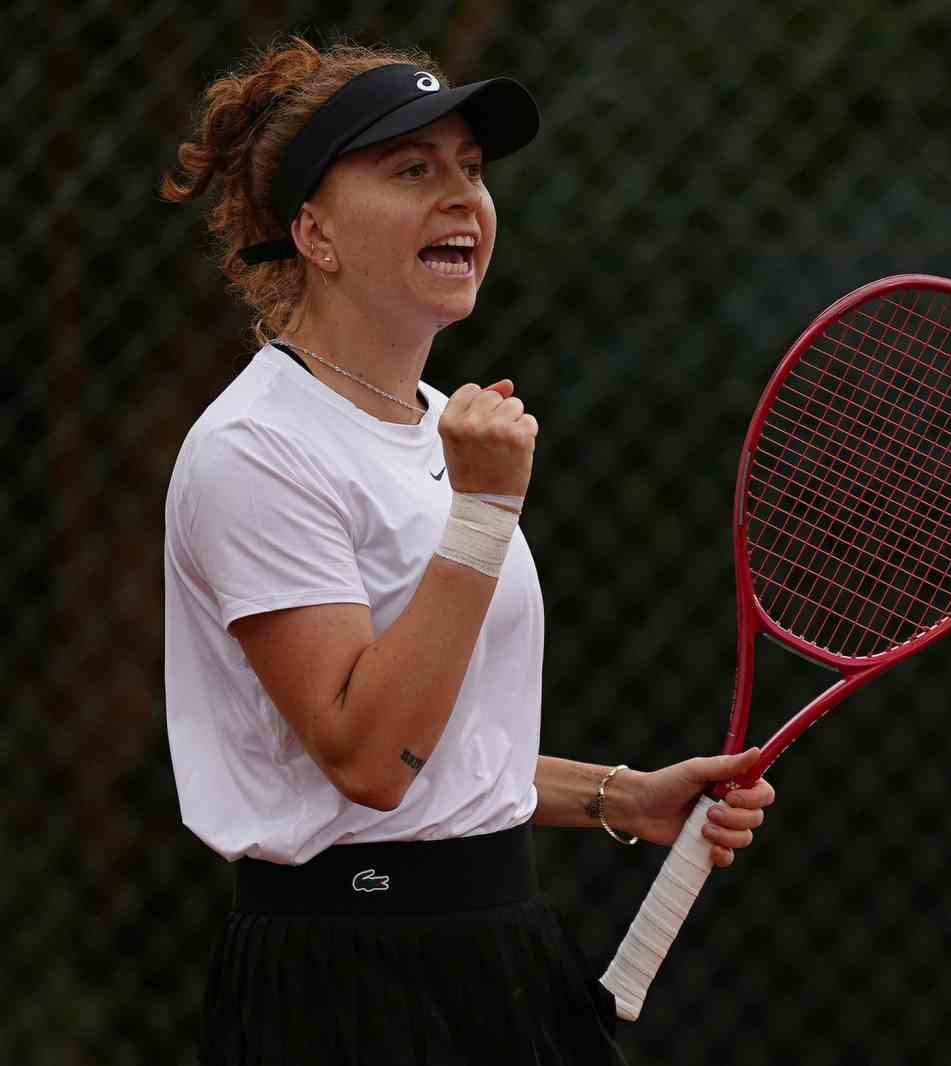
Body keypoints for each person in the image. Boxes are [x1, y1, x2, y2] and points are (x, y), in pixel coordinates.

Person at [159, 36, 775, 1065]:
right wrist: (483, 514)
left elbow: (440, 742)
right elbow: (366, 759)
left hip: (501, 949)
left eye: (471, 170)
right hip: (346, 981)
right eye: (412, 169)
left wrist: (618, 795)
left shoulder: (442, 423)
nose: (461, 197)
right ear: (313, 231)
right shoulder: (255, 450)